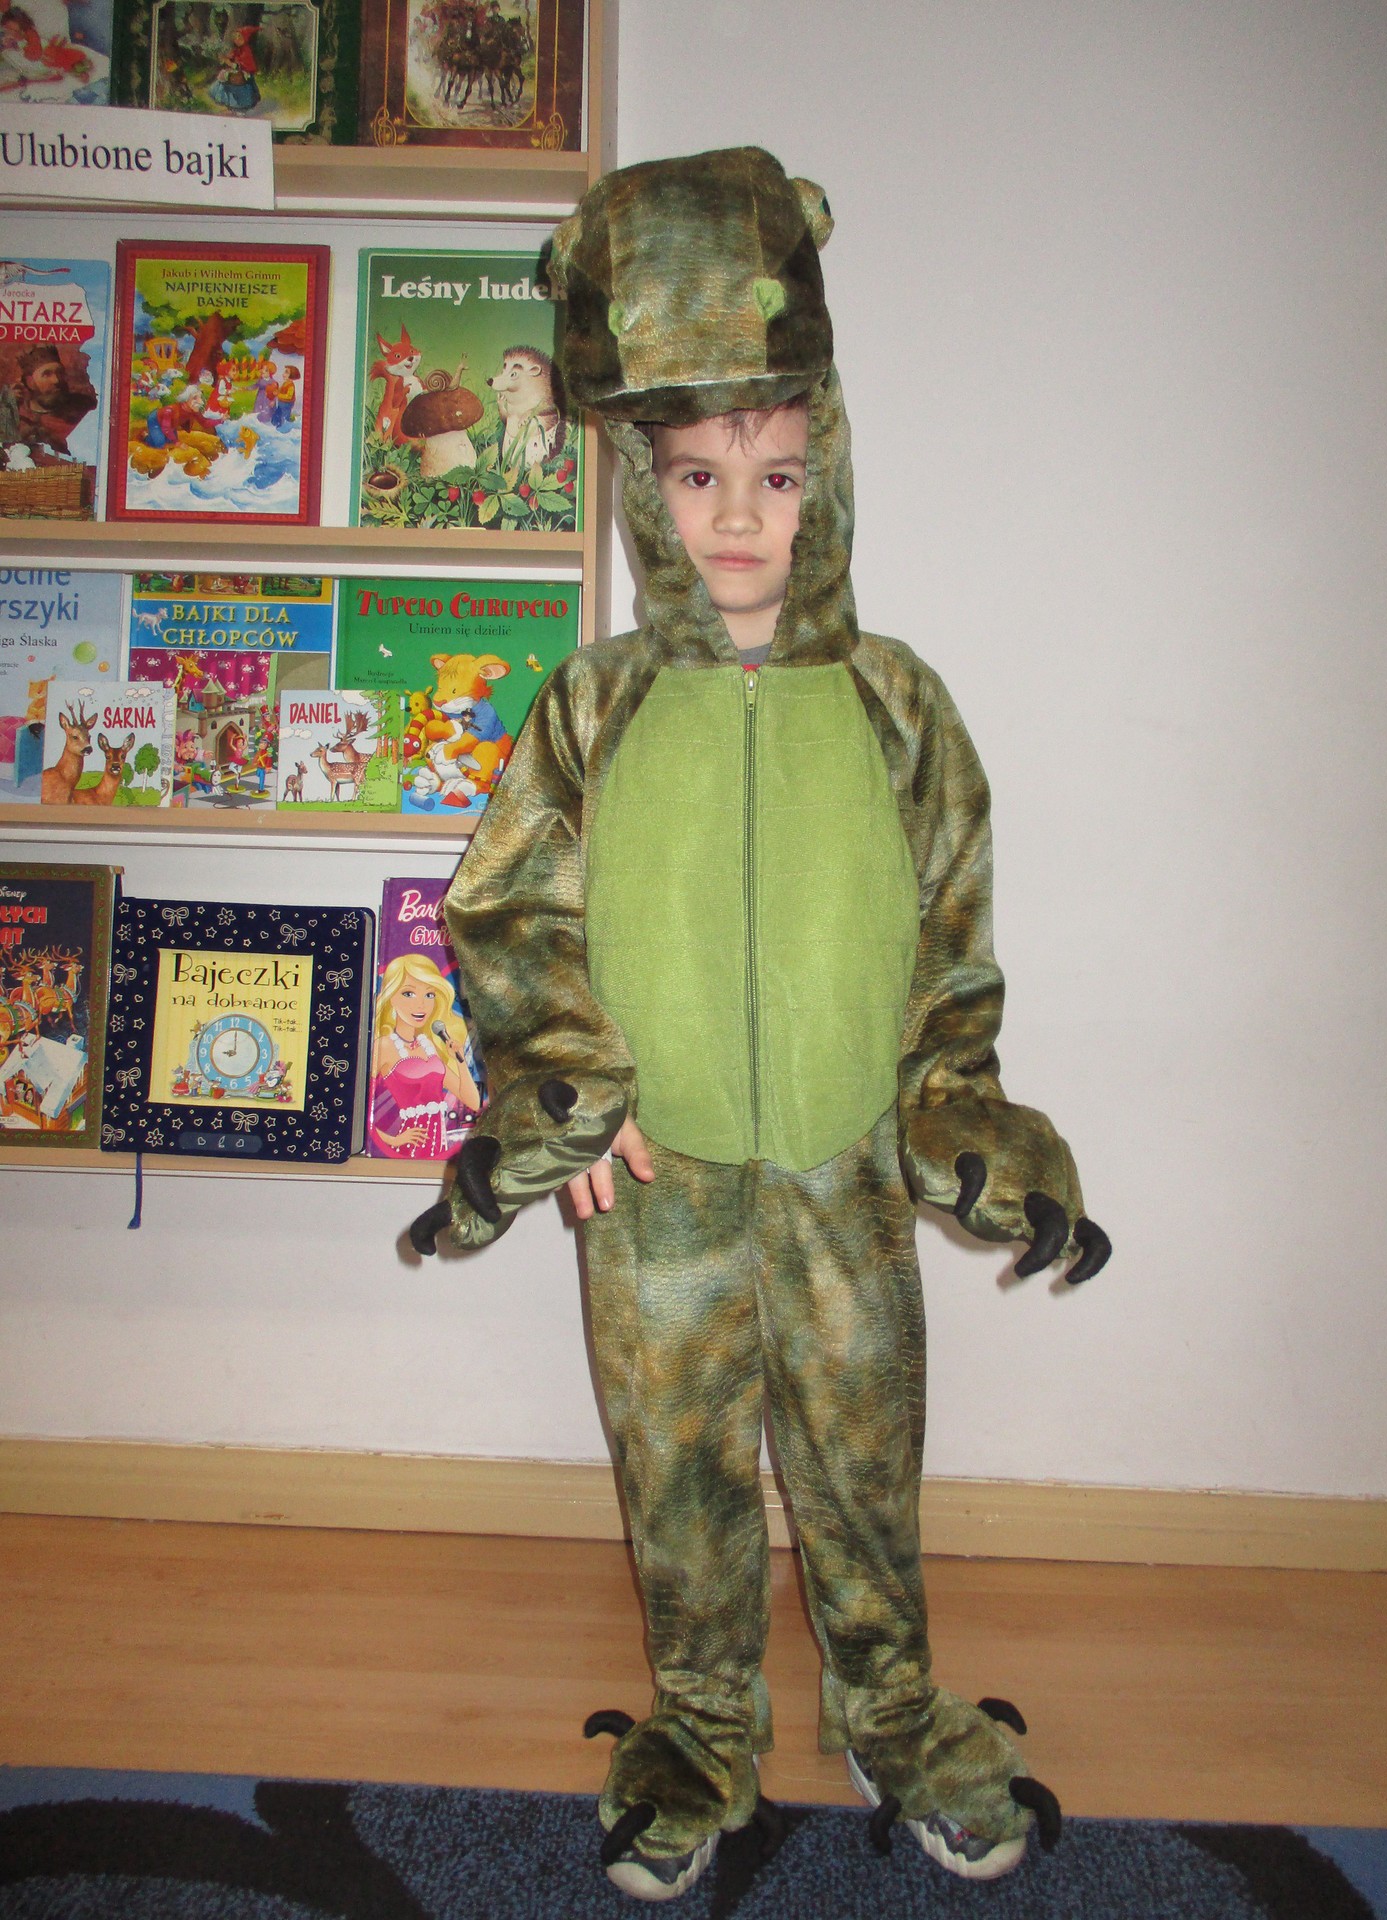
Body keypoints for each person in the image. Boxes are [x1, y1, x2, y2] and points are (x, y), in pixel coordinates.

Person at [410, 148, 1110, 1901]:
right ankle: (704, 1721)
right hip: (655, 1184)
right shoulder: (591, 705)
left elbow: (950, 953)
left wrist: (957, 1116)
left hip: (843, 1169)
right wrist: (562, 1094)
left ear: (831, 473)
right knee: (680, 1474)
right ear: (642, 489)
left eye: (779, 474)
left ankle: (895, 1709)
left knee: (864, 1466)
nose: (740, 517)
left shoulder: (899, 706)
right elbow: (510, 912)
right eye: (699, 476)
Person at [370, 954, 481, 1157]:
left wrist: (460, 1061)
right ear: (391, 996)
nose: (421, 1004)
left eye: (429, 995)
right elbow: (355, 1106)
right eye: (409, 994)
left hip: (439, 1148)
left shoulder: (429, 1045)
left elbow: (473, 1102)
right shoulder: (384, 1045)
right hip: (408, 1151)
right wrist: (392, 1139)